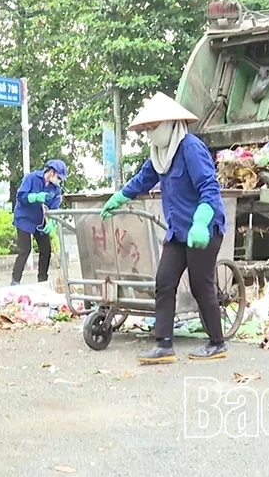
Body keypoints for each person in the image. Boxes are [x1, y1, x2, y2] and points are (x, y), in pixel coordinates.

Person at [100, 92, 228, 364]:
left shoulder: (190, 148)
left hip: (203, 229)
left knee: (200, 284)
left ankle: (217, 342)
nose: (149, 134)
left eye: (153, 127)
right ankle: (164, 345)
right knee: (164, 281)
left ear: (171, 124)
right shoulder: (159, 155)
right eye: (146, 129)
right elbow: (142, 180)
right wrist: (119, 198)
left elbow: (210, 189)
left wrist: (201, 222)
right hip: (178, 231)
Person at [11, 159, 68, 286]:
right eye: (58, 177)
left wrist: (52, 222)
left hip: (41, 221)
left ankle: (42, 281)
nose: (59, 180)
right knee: (25, 250)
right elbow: (21, 196)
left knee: (46, 249)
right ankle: (15, 281)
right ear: (51, 172)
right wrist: (35, 197)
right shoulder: (31, 178)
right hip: (24, 219)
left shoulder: (56, 189)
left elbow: (54, 207)